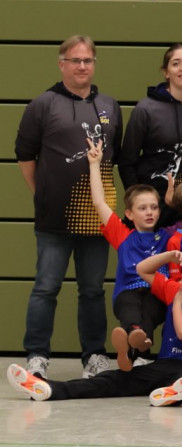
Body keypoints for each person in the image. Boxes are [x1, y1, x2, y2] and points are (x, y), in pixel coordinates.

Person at [17, 34, 121, 379]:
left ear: (94, 64)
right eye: (75, 60)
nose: (82, 66)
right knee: (46, 288)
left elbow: (115, 157)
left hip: (96, 219)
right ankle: (37, 356)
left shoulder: (109, 105)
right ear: (61, 64)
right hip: (54, 219)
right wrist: (42, 193)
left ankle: (94, 356)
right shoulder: (42, 104)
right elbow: (25, 156)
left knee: (92, 290)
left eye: (87, 60)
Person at [8, 252, 182, 406]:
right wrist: (169, 256)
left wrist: (178, 304)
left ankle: (172, 394)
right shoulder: (174, 289)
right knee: (114, 379)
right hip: (165, 363)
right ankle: (49, 388)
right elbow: (142, 269)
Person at [82, 134, 168, 366]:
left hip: (156, 291)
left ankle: (131, 352)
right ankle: (136, 341)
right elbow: (99, 202)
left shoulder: (168, 236)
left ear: (160, 211)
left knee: (151, 309)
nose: (149, 212)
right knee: (130, 307)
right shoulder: (123, 235)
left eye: (154, 207)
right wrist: (94, 165)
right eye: (142, 208)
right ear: (129, 214)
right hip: (127, 291)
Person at [117, 43, 182, 226]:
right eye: (176, 63)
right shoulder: (145, 109)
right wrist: (140, 201)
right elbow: (127, 163)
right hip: (154, 207)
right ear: (166, 72)